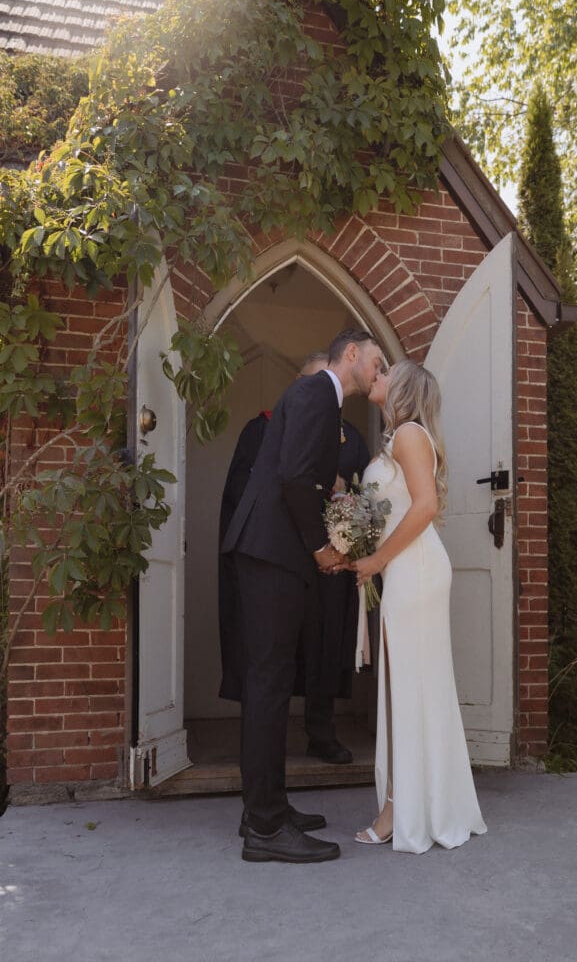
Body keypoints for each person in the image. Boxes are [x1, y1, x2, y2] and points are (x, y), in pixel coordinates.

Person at [222, 329, 384, 864]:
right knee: (267, 685)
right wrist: (321, 548)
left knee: (267, 681)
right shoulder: (318, 391)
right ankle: (266, 829)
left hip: (270, 553)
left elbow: (305, 480)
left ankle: (264, 807)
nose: (378, 372)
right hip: (274, 555)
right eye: (376, 361)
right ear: (352, 355)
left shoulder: (316, 399)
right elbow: (294, 480)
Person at [353, 360, 487, 854]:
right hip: (405, 570)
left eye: (386, 371)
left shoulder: (409, 433)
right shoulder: (401, 438)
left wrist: (376, 560)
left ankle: (399, 811)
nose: (377, 376)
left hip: (416, 570)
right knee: (412, 688)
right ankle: (423, 802)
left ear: (402, 389)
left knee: (408, 690)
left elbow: (425, 506)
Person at [217, 351, 370, 765]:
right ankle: (269, 755)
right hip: (280, 557)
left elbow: (366, 498)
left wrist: (344, 506)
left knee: (321, 650)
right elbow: (245, 491)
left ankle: (321, 732)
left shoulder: (351, 437)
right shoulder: (262, 429)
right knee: (271, 665)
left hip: (326, 565)